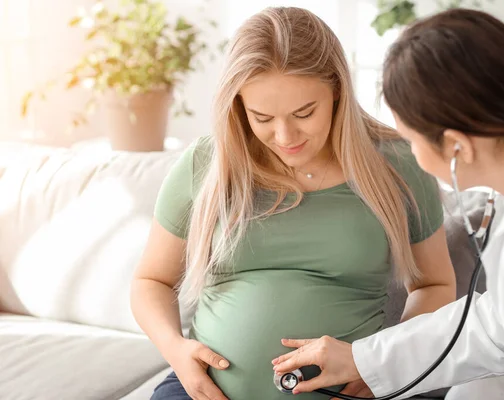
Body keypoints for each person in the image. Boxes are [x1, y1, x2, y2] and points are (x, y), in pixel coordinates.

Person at [130, 6, 458, 400]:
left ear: (337, 90)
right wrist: (177, 352)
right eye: (262, 116)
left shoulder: (398, 163)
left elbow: (435, 284)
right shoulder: (208, 163)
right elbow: (150, 281)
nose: (285, 136)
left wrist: (383, 363)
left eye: (304, 112)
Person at [272, 8, 504, 400]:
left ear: (457, 145)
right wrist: (363, 358)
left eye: (410, 139)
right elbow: (495, 324)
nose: (410, 151)